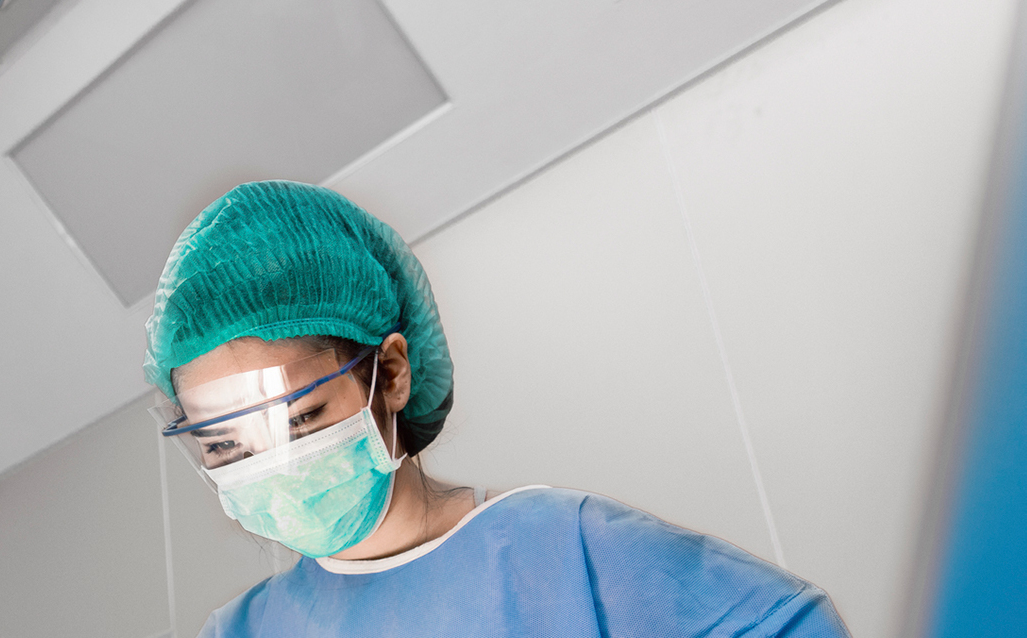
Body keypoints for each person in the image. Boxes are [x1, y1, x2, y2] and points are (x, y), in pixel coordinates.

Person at [143, 181, 851, 636]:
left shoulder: (558, 550)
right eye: (223, 446)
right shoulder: (241, 631)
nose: (272, 464)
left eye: (298, 420)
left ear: (389, 375)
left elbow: (789, 626)